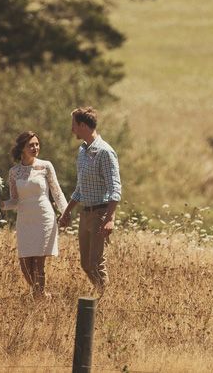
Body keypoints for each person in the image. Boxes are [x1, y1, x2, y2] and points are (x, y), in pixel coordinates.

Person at [58, 107, 121, 294]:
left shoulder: (105, 152)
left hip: (100, 214)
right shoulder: (82, 151)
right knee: (86, 264)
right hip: (85, 213)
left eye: (74, 125)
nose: (72, 130)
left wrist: (110, 219)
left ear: (83, 125)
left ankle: (103, 300)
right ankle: (100, 294)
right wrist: (67, 212)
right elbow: (80, 188)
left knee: (96, 263)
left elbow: (115, 188)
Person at [0, 131, 68, 299]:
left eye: (37, 144)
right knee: (25, 264)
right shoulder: (14, 172)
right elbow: (14, 200)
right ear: (22, 148)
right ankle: (44, 296)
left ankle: (39, 300)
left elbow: (57, 192)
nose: (35, 147)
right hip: (24, 220)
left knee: (38, 263)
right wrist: (0, 204)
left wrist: (65, 212)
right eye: (31, 145)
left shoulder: (46, 166)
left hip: (43, 217)